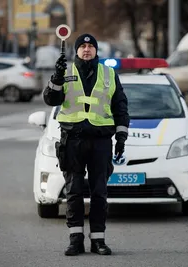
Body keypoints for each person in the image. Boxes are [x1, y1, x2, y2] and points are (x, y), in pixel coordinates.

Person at [43, 33, 130, 256]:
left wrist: (121, 138)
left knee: (99, 192)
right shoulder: (66, 71)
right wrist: (56, 77)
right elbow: (51, 100)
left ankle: (98, 240)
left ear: (96, 50)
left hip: (100, 141)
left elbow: (120, 107)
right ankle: (76, 240)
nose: (87, 49)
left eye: (91, 46)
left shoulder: (109, 74)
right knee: (73, 192)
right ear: (77, 50)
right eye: (82, 46)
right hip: (72, 140)